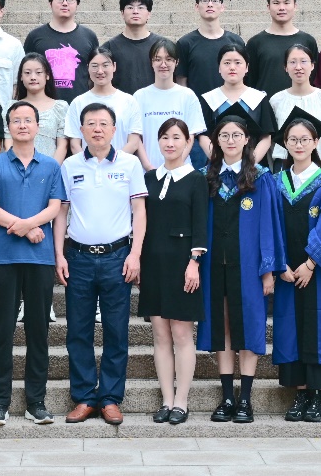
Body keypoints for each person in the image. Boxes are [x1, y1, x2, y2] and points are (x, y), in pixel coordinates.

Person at [55, 103, 148, 426]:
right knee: (77, 331)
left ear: (114, 129)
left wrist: (135, 254)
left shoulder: (130, 163)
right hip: (78, 257)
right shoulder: (69, 165)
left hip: (117, 257)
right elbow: (61, 212)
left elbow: (139, 211)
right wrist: (59, 255)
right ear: (81, 130)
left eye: (104, 123)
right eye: (91, 124)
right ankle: (84, 397)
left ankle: (110, 399)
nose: (97, 129)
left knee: (116, 331)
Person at [0, 101, 66, 427]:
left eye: (28, 120)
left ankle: (36, 402)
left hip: (40, 258)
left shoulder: (51, 166)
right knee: (2, 330)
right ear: (9, 126)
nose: (22, 125)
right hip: (3, 257)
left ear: (38, 126)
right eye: (16, 120)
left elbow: (55, 207)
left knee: (38, 330)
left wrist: (27, 226)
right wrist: (26, 227)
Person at [197, 106, 285, 424]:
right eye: (224, 135)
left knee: (248, 326)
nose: (231, 140)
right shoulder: (205, 177)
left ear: (247, 139)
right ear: (216, 141)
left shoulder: (261, 178)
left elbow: (269, 226)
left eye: (237, 135)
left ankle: (245, 399)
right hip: (213, 266)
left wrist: (268, 270)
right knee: (222, 327)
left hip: (248, 267)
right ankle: (226, 398)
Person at [271, 113, 321, 423]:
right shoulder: (275, 182)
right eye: (293, 139)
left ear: (316, 142)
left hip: (317, 272)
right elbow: (269, 226)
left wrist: (310, 263)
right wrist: (279, 263)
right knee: (292, 328)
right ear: (285, 143)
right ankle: (301, 393)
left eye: (305, 139)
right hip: (286, 272)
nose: (299, 144)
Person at [139, 118, 207, 425]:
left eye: (176, 137)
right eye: (165, 137)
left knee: (181, 333)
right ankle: (166, 400)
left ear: (188, 142)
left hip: (183, 264)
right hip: (153, 261)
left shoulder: (196, 179)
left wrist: (194, 263)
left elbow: (200, 225)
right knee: (160, 334)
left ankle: (182, 401)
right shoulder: (149, 178)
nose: (170, 143)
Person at [134, 39, 207, 171]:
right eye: (158, 59)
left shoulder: (187, 95)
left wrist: (176, 165)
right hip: (148, 172)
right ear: (151, 62)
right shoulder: (139, 96)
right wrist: (148, 167)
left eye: (168, 59)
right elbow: (136, 137)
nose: (163, 64)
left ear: (176, 62)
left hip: (181, 170)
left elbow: (190, 136)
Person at [24, 0, 99, 104]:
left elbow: (95, 73)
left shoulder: (89, 36)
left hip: (80, 105)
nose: (65, 3)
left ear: (77, 4)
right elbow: (25, 71)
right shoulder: (35, 36)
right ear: (50, 3)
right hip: (44, 106)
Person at [200, 44, 278, 162]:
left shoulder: (259, 98)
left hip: (253, 165)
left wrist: (251, 162)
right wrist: (218, 161)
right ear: (219, 68)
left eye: (238, 62)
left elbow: (266, 137)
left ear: (247, 67)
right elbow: (203, 135)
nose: (232, 67)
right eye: (227, 63)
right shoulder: (209, 99)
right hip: (218, 165)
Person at [269, 43, 321, 172]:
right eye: (292, 62)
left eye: (303, 61)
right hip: (284, 163)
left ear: (312, 65)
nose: (298, 67)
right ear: (285, 67)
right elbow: (272, 139)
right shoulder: (276, 100)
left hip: (319, 162)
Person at [65, 46, 142, 156]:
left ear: (114, 66)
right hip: (87, 165)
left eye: (105, 65)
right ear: (88, 68)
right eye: (94, 66)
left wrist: (115, 161)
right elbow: (75, 144)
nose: (100, 71)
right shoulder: (78, 102)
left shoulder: (129, 101)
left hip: (122, 165)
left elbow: (133, 142)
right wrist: (88, 163)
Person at [245, 0, 317, 95]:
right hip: (265, 104)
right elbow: (249, 81)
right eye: (276, 3)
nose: (282, 8)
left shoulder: (308, 41)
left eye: (286, 3)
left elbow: (314, 78)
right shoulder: (255, 43)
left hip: (301, 103)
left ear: (295, 6)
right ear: (268, 7)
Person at [175, 0, 245, 97]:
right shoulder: (185, 43)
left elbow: (243, 78)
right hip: (198, 106)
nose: (210, 4)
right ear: (197, 6)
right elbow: (181, 81)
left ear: (222, 7)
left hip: (230, 104)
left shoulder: (236, 41)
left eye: (215, 1)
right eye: (205, 0)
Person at [106, 0, 164, 95]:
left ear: (149, 13)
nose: (135, 11)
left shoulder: (162, 46)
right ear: (122, 13)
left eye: (141, 7)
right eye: (130, 7)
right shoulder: (109, 47)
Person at [14, 53, 68, 164]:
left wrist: (51, 170)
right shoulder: (12, 107)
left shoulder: (60, 107)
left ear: (47, 75)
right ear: (21, 77)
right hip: (16, 169)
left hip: (50, 169)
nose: (33, 77)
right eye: (27, 73)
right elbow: (8, 142)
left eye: (38, 72)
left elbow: (62, 145)